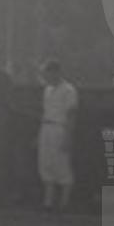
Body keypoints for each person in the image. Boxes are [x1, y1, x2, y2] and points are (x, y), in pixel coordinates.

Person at [36, 55, 78, 211]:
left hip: (60, 128)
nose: (46, 77)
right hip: (46, 127)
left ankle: (64, 203)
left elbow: (71, 114)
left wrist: (68, 136)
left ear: (56, 72)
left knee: (61, 164)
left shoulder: (69, 90)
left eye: (48, 73)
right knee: (46, 164)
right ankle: (48, 202)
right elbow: (45, 112)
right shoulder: (47, 90)